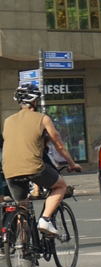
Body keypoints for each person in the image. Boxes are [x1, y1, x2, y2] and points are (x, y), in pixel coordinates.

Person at [2, 83, 82, 237]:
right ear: (35, 101)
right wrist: (72, 164)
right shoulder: (42, 119)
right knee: (61, 186)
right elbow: (58, 145)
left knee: (22, 207)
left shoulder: (8, 121)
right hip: (33, 168)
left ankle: (24, 249)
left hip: (9, 170)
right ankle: (45, 219)